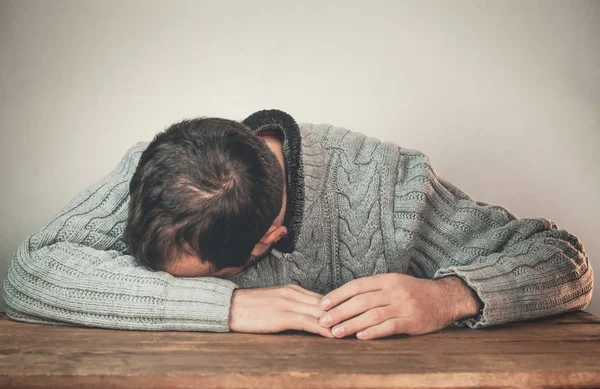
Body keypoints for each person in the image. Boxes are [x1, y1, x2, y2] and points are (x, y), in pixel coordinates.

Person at [3, 109, 593, 340]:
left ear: (267, 241)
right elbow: (29, 273)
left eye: (193, 279)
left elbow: (560, 257)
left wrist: (447, 296)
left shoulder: (386, 184)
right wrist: (227, 306)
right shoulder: (156, 169)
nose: (168, 283)